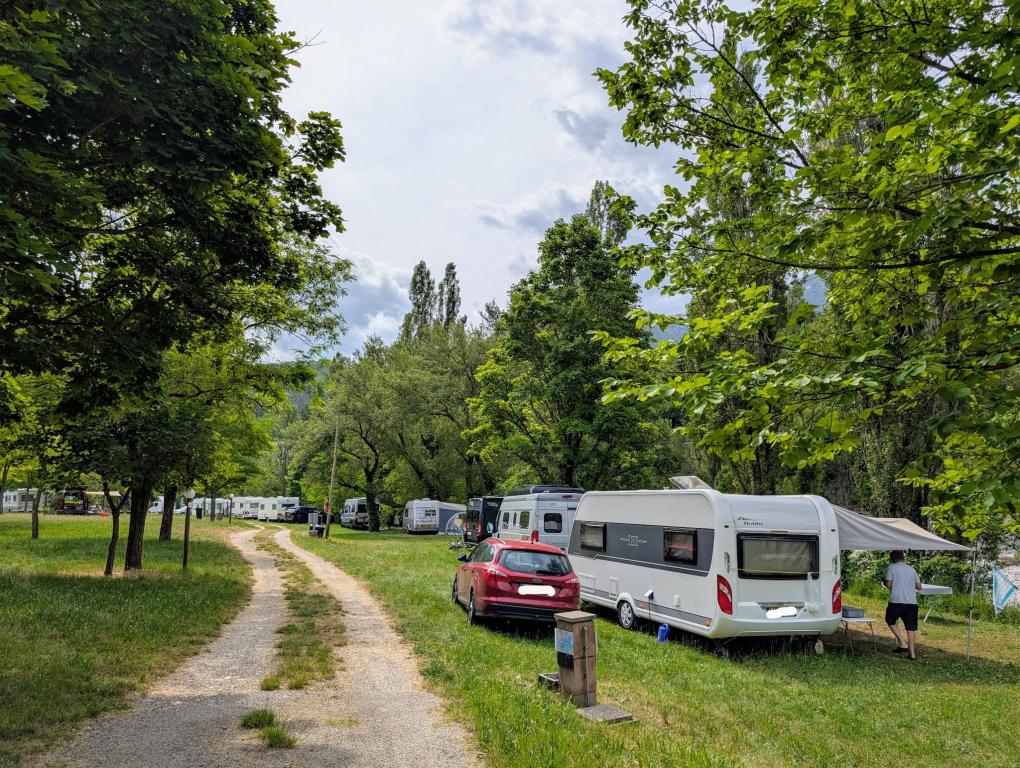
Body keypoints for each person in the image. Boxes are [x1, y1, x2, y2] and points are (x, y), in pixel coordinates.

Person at [884, 550, 922, 660]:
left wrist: (884, 581)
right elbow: (919, 587)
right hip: (912, 603)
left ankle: (902, 643)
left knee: (890, 620)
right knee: (911, 628)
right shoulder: (912, 569)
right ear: (902, 557)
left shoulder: (892, 567)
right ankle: (912, 655)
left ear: (893, 558)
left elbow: (888, 584)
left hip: (896, 601)